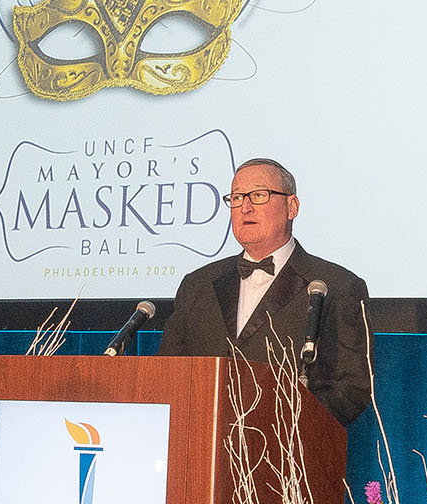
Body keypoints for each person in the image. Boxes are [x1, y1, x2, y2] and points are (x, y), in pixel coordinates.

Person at [158, 157, 371, 425]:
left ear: (291, 206)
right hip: (201, 446)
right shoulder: (198, 285)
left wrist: (281, 423)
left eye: (258, 195)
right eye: (236, 198)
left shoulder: (337, 286)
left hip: (288, 454)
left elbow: (352, 388)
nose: (245, 207)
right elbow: (167, 373)